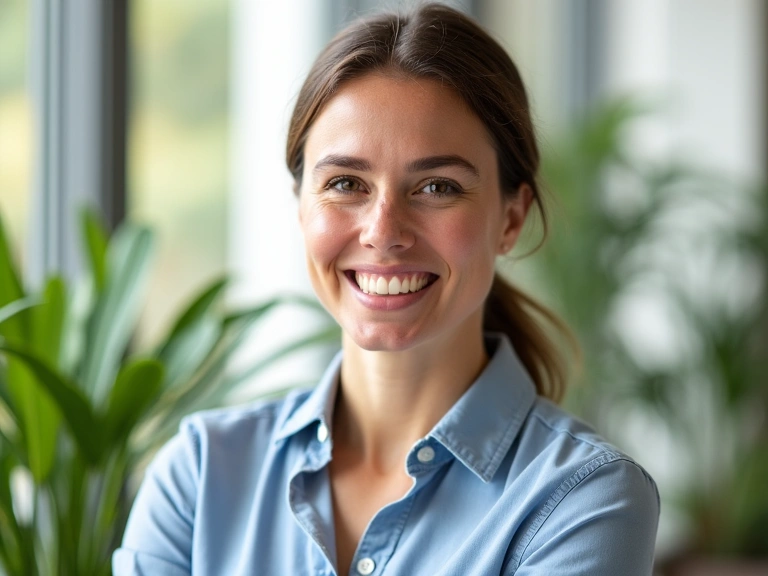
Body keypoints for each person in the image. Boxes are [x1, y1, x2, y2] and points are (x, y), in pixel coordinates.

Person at [113, 4, 659, 575]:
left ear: (511, 218)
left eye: (437, 186)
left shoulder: (583, 501)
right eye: (345, 183)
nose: (383, 232)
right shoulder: (200, 476)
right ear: (301, 206)